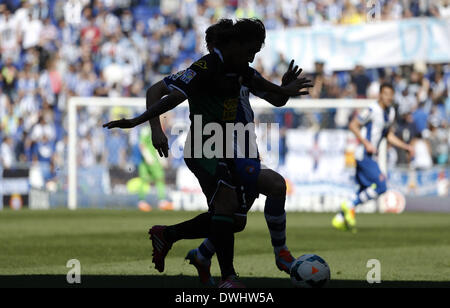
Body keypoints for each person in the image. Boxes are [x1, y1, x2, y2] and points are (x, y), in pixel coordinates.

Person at [103, 18, 310, 288]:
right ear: (229, 45)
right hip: (207, 146)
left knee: (237, 217)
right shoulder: (205, 67)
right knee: (228, 206)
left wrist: (285, 88)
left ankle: (179, 242)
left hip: (240, 147)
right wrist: (145, 125)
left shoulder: (241, 70)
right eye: (250, 50)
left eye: (255, 52)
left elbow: (276, 96)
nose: (252, 57)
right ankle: (230, 277)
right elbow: (166, 95)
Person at [332, 82, 414, 232]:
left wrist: (405, 146)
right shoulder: (371, 109)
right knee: (381, 186)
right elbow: (353, 125)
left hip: (370, 156)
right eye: (386, 94)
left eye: (391, 94)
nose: (389, 97)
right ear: (380, 95)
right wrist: (366, 142)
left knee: (363, 188)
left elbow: (388, 135)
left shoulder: (391, 112)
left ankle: (339, 219)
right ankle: (350, 205)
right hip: (364, 154)